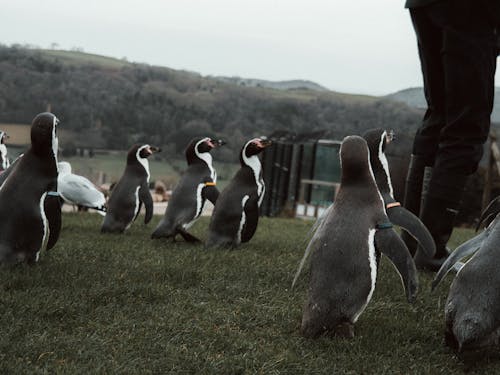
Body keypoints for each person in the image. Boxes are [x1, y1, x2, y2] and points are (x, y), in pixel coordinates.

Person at [403, 0, 499, 271]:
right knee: (466, 126)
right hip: (471, 9)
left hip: (424, 5)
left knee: (440, 115)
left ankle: (414, 241)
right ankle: (430, 249)